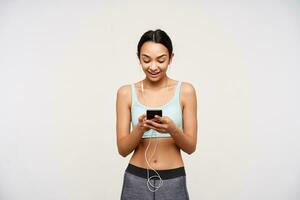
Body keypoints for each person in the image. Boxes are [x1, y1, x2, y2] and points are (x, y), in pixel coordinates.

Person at [116, 29, 197, 200]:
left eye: (161, 60)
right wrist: (140, 129)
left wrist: (173, 129)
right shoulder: (125, 93)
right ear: (139, 58)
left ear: (171, 58)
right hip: (136, 179)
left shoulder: (186, 91)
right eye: (146, 60)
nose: (153, 66)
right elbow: (123, 150)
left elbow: (190, 147)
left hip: (173, 179)